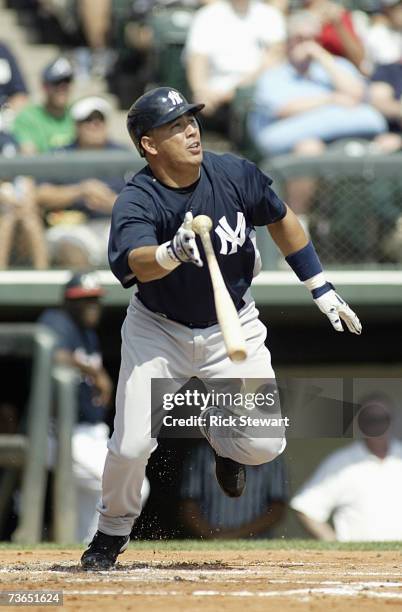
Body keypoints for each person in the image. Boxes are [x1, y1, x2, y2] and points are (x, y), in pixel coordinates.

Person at [80, 86, 362, 570]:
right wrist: (173, 251)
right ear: (149, 143)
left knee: (264, 443)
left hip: (234, 320)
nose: (191, 130)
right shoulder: (138, 197)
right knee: (130, 444)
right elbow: (133, 265)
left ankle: (219, 436)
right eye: (175, 125)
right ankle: (112, 531)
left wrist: (320, 286)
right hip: (158, 329)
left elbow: (282, 218)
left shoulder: (231, 172)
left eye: (191, 120)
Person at [39, 271, 149, 541]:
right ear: (67, 302)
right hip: (60, 433)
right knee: (127, 488)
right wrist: (93, 370)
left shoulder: (87, 335)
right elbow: (51, 351)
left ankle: (83, 550)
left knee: (90, 505)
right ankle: (98, 546)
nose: (91, 306)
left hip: (88, 433)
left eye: (94, 300)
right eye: (83, 301)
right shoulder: (56, 321)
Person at [248, 10, 387, 159]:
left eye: (313, 39)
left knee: (388, 142)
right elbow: (283, 109)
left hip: (348, 135)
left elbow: (357, 94)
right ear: (287, 42)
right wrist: (331, 99)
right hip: (293, 141)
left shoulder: (337, 65)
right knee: (310, 148)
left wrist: (322, 58)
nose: (308, 45)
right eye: (300, 39)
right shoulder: (274, 74)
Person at [290, 392, 402, 541]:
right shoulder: (341, 462)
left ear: (393, 421)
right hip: (359, 560)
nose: (377, 425)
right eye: (370, 419)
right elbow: (305, 506)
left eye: (383, 419)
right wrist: (334, 545)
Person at [36, 96, 126, 268]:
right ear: (76, 125)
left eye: (100, 119)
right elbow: (39, 194)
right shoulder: (60, 155)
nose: (95, 124)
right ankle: (85, 293)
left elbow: (143, 201)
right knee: (71, 249)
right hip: (71, 226)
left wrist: (113, 203)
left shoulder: (123, 154)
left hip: (113, 224)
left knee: (135, 243)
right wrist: (80, 190)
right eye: (88, 120)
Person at [184, 0, 286, 132]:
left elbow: (275, 58)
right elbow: (197, 59)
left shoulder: (270, 15)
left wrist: (235, 91)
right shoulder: (207, 15)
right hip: (217, 90)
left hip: (256, 89)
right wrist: (200, 91)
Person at [180, 441, 288, 538]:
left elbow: (277, 509)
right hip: (211, 541)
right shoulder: (201, 454)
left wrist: (234, 535)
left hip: (256, 542)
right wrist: (212, 535)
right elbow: (189, 505)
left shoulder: (269, 454)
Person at [12, 57, 75, 154]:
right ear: (44, 87)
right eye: (56, 83)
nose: (62, 88)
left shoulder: (78, 114)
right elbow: (29, 157)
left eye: (67, 82)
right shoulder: (28, 118)